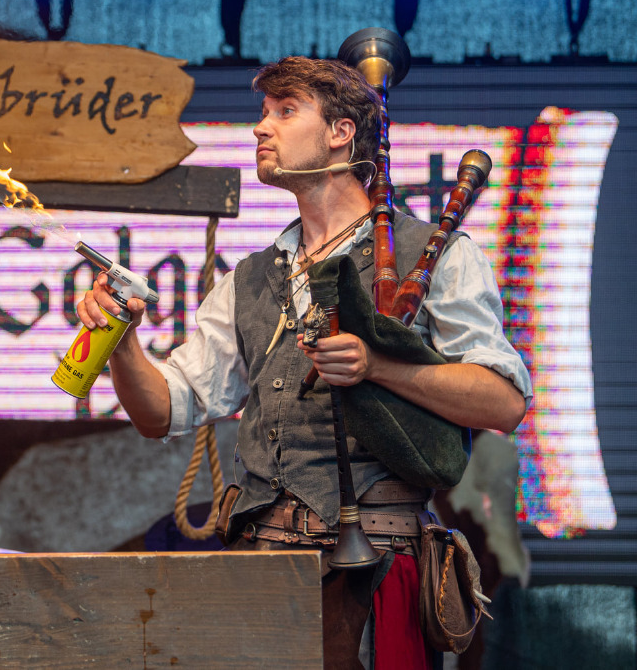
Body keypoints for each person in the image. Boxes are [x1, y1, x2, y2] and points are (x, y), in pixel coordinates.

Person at [76, 57, 531, 670]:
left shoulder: (438, 254)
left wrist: (378, 366)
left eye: (285, 111)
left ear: (341, 132)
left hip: (373, 566)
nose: (261, 127)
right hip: (258, 568)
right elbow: (161, 412)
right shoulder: (249, 279)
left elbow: (503, 402)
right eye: (265, 112)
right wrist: (123, 340)